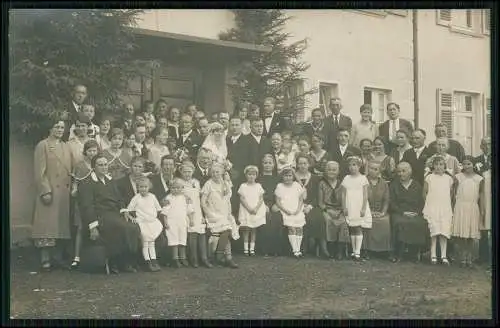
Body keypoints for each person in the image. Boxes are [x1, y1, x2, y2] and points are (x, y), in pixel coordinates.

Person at [78, 154, 141, 274]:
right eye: (100, 165)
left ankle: (126, 261)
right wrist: (93, 227)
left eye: (105, 164)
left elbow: (119, 198)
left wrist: (124, 211)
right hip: (100, 216)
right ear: (93, 167)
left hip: (115, 213)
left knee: (133, 227)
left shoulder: (110, 181)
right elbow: (87, 206)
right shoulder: (87, 183)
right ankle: (114, 262)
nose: (104, 167)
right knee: (120, 227)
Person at [32, 119, 73, 271]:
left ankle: (57, 257)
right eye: (57, 126)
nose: (60, 129)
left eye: (62, 127)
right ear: (50, 128)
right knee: (47, 226)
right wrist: (45, 191)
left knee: (59, 227)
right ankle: (45, 259)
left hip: (63, 192)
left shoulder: (66, 146)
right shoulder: (42, 145)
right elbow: (39, 172)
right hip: (50, 191)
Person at [201, 163, 239, 268]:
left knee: (227, 230)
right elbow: (203, 201)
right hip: (212, 213)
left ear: (222, 172)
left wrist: (229, 213)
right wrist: (208, 213)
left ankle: (224, 257)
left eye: (217, 172)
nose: (215, 174)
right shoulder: (208, 184)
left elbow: (227, 199)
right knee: (223, 232)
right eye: (213, 172)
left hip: (223, 213)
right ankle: (223, 257)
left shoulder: (224, 183)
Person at [69, 139, 99, 270]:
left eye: (94, 150)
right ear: (85, 152)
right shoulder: (80, 166)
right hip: (82, 200)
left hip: (96, 201)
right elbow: (75, 181)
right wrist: (74, 189)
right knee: (81, 228)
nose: (92, 153)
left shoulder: (99, 164)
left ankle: (94, 256)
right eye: (90, 150)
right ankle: (77, 257)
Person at [389, 162, 428, 263]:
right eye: (399, 171)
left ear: (410, 172)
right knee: (399, 223)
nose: (401, 174)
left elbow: (421, 202)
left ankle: (415, 252)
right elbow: (392, 203)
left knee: (420, 223)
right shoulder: (394, 185)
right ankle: (398, 252)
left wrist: (416, 212)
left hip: (415, 213)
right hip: (399, 213)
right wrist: (403, 212)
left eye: (403, 171)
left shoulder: (416, 185)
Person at [123, 176, 163, 272]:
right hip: (142, 223)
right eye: (141, 187)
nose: (143, 189)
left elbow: (158, 208)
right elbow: (128, 209)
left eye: (145, 187)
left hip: (152, 223)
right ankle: (147, 262)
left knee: (152, 243)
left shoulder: (152, 197)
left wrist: (153, 216)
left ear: (149, 187)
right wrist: (132, 218)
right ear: (138, 188)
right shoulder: (136, 198)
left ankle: (154, 261)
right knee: (145, 243)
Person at [423, 156, 456, 265]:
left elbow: (451, 194)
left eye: (441, 164)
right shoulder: (429, 177)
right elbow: (425, 193)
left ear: (444, 166)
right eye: (436, 164)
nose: (438, 167)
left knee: (444, 231)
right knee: (434, 231)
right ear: (433, 166)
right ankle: (433, 255)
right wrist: (428, 204)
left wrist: (447, 205)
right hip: (433, 207)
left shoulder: (449, 179)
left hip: (445, 207)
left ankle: (443, 255)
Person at [452, 156, 484, 268]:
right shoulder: (458, 177)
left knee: (470, 234)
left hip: (472, 207)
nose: (466, 166)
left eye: (469, 164)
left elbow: (480, 195)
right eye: (464, 164)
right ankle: (462, 256)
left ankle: (469, 257)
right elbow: (454, 193)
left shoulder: (479, 179)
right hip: (460, 206)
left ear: (473, 165)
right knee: (461, 234)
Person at [179, 161, 212, 268]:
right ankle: (194, 259)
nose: (187, 174)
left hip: (197, 210)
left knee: (201, 233)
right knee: (192, 234)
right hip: (185, 211)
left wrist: (202, 214)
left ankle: (204, 258)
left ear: (193, 172)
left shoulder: (196, 182)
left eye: (189, 172)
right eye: (185, 172)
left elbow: (199, 199)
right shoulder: (178, 183)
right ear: (181, 172)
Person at [341, 156, 372, 262]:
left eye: (354, 165)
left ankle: (358, 252)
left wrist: (363, 208)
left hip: (359, 205)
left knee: (358, 227)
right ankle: (353, 251)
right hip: (350, 204)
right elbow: (343, 194)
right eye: (350, 165)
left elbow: (365, 195)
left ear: (359, 166)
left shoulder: (363, 178)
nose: (352, 167)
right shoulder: (346, 178)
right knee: (352, 228)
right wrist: (344, 206)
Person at [295, 154, 326, 258]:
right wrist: (301, 206)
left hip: (312, 205)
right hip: (296, 205)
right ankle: (303, 247)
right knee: (301, 218)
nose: (302, 166)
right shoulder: (293, 177)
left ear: (309, 164)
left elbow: (317, 196)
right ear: (297, 164)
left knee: (318, 217)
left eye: (305, 163)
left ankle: (321, 246)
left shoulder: (315, 178)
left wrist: (309, 206)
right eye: (300, 163)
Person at [318, 161, 349, 260]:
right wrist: (327, 210)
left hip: (339, 210)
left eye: (334, 170)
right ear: (325, 171)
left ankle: (339, 250)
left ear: (338, 171)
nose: (331, 172)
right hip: (327, 209)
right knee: (328, 221)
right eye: (329, 169)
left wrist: (342, 211)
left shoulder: (342, 184)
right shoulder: (322, 183)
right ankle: (330, 249)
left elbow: (344, 200)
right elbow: (320, 202)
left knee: (343, 223)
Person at [161, 178, 193, 268]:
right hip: (172, 222)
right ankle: (175, 258)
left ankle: (183, 257)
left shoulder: (185, 198)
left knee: (182, 239)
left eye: (178, 188)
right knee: (174, 240)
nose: (176, 190)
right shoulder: (168, 198)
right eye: (174, 188)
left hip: (182, 221)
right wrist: (165, 222)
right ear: (170, 188)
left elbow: (189, 210)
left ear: (182, 188)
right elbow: (165, 211)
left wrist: (191, 220)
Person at [275, 167, 306, 258]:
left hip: (296, 209)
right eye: (286, 176)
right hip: (286, 209)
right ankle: (295, 250)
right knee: (291, 228)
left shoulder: (296, 185)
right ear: (282, 177)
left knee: (299, 228)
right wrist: (285, 210)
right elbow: (278, 201)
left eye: (290, 176)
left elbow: (301, 200)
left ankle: (298, 249)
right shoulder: (280, 186)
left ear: (293, 177)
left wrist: (298, 209)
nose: (288, 178)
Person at [364, 161, 391, 259]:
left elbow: (386, 200)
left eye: (376, 169)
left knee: (385, 222)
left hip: (380, 212)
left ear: (379, 171)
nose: (373, 171)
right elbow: (361, 200)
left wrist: (383, 212)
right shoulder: (363, 181)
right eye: (371, 168)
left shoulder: (384, 184)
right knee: (367, 221)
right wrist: (369, 212)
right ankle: (367, 250)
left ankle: (383, 251)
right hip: (366, 211)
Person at [238, 165, 266, 256]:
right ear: (246, 175)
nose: (251, 176)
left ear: (256, 175)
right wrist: (249, 209)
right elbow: (242, 199)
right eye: (249, 174)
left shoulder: (258, 186)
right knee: (246, 229)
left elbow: (261, 198)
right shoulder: (243, 186)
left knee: (254, 229)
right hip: (246, 209)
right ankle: (246, 249)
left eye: (253, 174)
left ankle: (252, 249)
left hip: (256, 210)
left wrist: (256, 208)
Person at [258, 154, 283, 256]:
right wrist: (263, 205)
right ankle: (265, 250)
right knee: (266, 218)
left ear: (273, 165)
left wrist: (277, 204)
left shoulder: (277, 179)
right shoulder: (258, 178)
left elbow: (281, 193)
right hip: (262, 203)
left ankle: (276, 249)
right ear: (262, 164)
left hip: (274, 203)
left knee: (278, 217)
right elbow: (256, 194)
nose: (267, 165)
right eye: (265, 163)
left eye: (270, 163)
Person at [226, 117, 249, 185]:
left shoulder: (248, 141)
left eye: (237, 125)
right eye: (232, 125)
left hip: (242, 178)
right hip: (227, 177)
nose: (234, 127)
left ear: (241, 126)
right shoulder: (226, 141)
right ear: (229, 126)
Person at [480, 167, 491, 268]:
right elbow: (482, 193)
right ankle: (483, 256)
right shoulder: (485, 175)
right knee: (484, 231)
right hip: (487, 205)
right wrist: (482, 208)